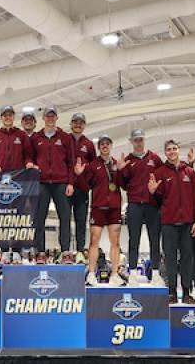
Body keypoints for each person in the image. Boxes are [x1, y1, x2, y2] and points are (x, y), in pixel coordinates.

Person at [149, 140, 195, 303]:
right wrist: (153, 192)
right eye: (168, 149)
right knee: (170, 259)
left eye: (174, 148)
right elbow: (157, 202)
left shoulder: (190, 172)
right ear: (165, 152)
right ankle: (171, 292)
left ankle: (186, 292)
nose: (172, 151)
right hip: (169, 223)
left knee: (187, 259)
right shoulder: (160, 173)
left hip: (187, 223)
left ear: (179, 150)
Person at [75, 135, 125, 286]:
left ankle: (115, 274)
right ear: (98, 147)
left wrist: (121, 171)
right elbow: (85, 187)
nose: (104, 146)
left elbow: (122, 185)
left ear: (111, 146)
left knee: (115, 241)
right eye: (102, 144)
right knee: (94, 240)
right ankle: (91, 273)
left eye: (107, 144)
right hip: (98, 206)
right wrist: (80, 175)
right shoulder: (92, 165)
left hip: (114, 207)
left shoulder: (116, 164)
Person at [0, 105, 36, 260]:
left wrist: (28, 162)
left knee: (18, 216)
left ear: (14, 117)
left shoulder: (21, 135)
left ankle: (16, 251)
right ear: (1, 117)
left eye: (10, 115)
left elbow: (28, 154)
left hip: (18, 182)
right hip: (0, 184)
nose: (7, 117)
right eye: (5, 115)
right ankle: (4, 251)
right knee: (1, 216)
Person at [120, 129, 164, 285]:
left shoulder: (155, 159)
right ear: (131, 141)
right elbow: (122, 184)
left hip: (152, 205)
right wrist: (120, 170)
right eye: (136, 140)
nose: (138, 142)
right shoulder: (128, 160)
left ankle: (156, 273)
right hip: (134, 204)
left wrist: (157, 194)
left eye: (141, 139)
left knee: (154, 239)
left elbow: (162, 180)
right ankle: (132, 273)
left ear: (144, 140)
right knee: (134, 239)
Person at [30, 106, 74, 253]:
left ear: (56, 118)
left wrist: (70, 183)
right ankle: (40, 251)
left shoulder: (65, 138)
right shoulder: (36, 138)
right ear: (43, 118)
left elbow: (71, 162)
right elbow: (30, 157)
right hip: (42, 183)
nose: (50, 118)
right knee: (39, 218)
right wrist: (31, 165)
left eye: (52, 116)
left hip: (61, 183)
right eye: (47, 116)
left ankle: (65, 250)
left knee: (65, 218)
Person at [68, 112, 95, 253]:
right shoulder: (65, 140)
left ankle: (80, 251)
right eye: (75, 122)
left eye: (81, 123)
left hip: (82, 189)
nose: (78, 125)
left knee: (81, 220)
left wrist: (85, 176)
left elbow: (94, 166)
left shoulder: (88, 144)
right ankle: (65, 251)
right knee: (65, 220)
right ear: (71, 124)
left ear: (84, 125)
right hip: (66, 187)